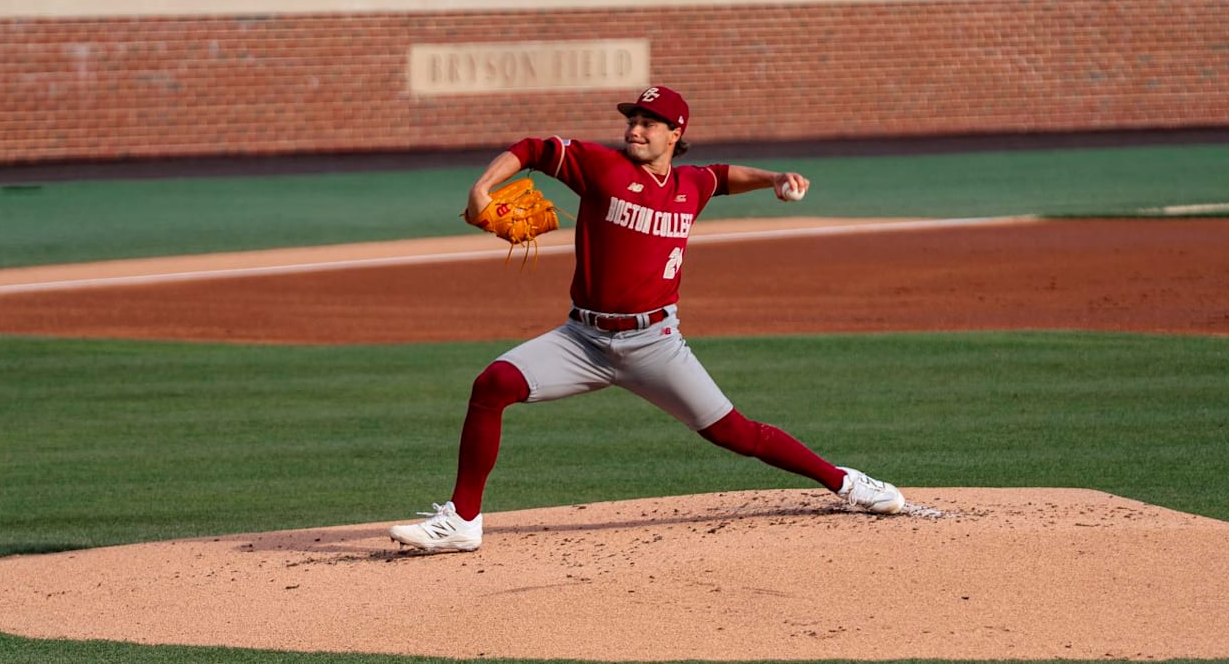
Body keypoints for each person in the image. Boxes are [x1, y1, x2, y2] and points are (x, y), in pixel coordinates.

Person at [387, 85, 905, 553]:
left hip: (655, 344)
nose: (635, 129)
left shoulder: (689, 186)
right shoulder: (602, 167)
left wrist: (773, 178)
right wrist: (482, 189)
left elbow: (722, 176)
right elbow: (533, 149)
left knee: (736, 433)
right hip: (582, 339)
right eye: (632, 119)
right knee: (493, 383)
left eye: (648, 122)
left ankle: (846, 482)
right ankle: (463, 520)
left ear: (676, 133)